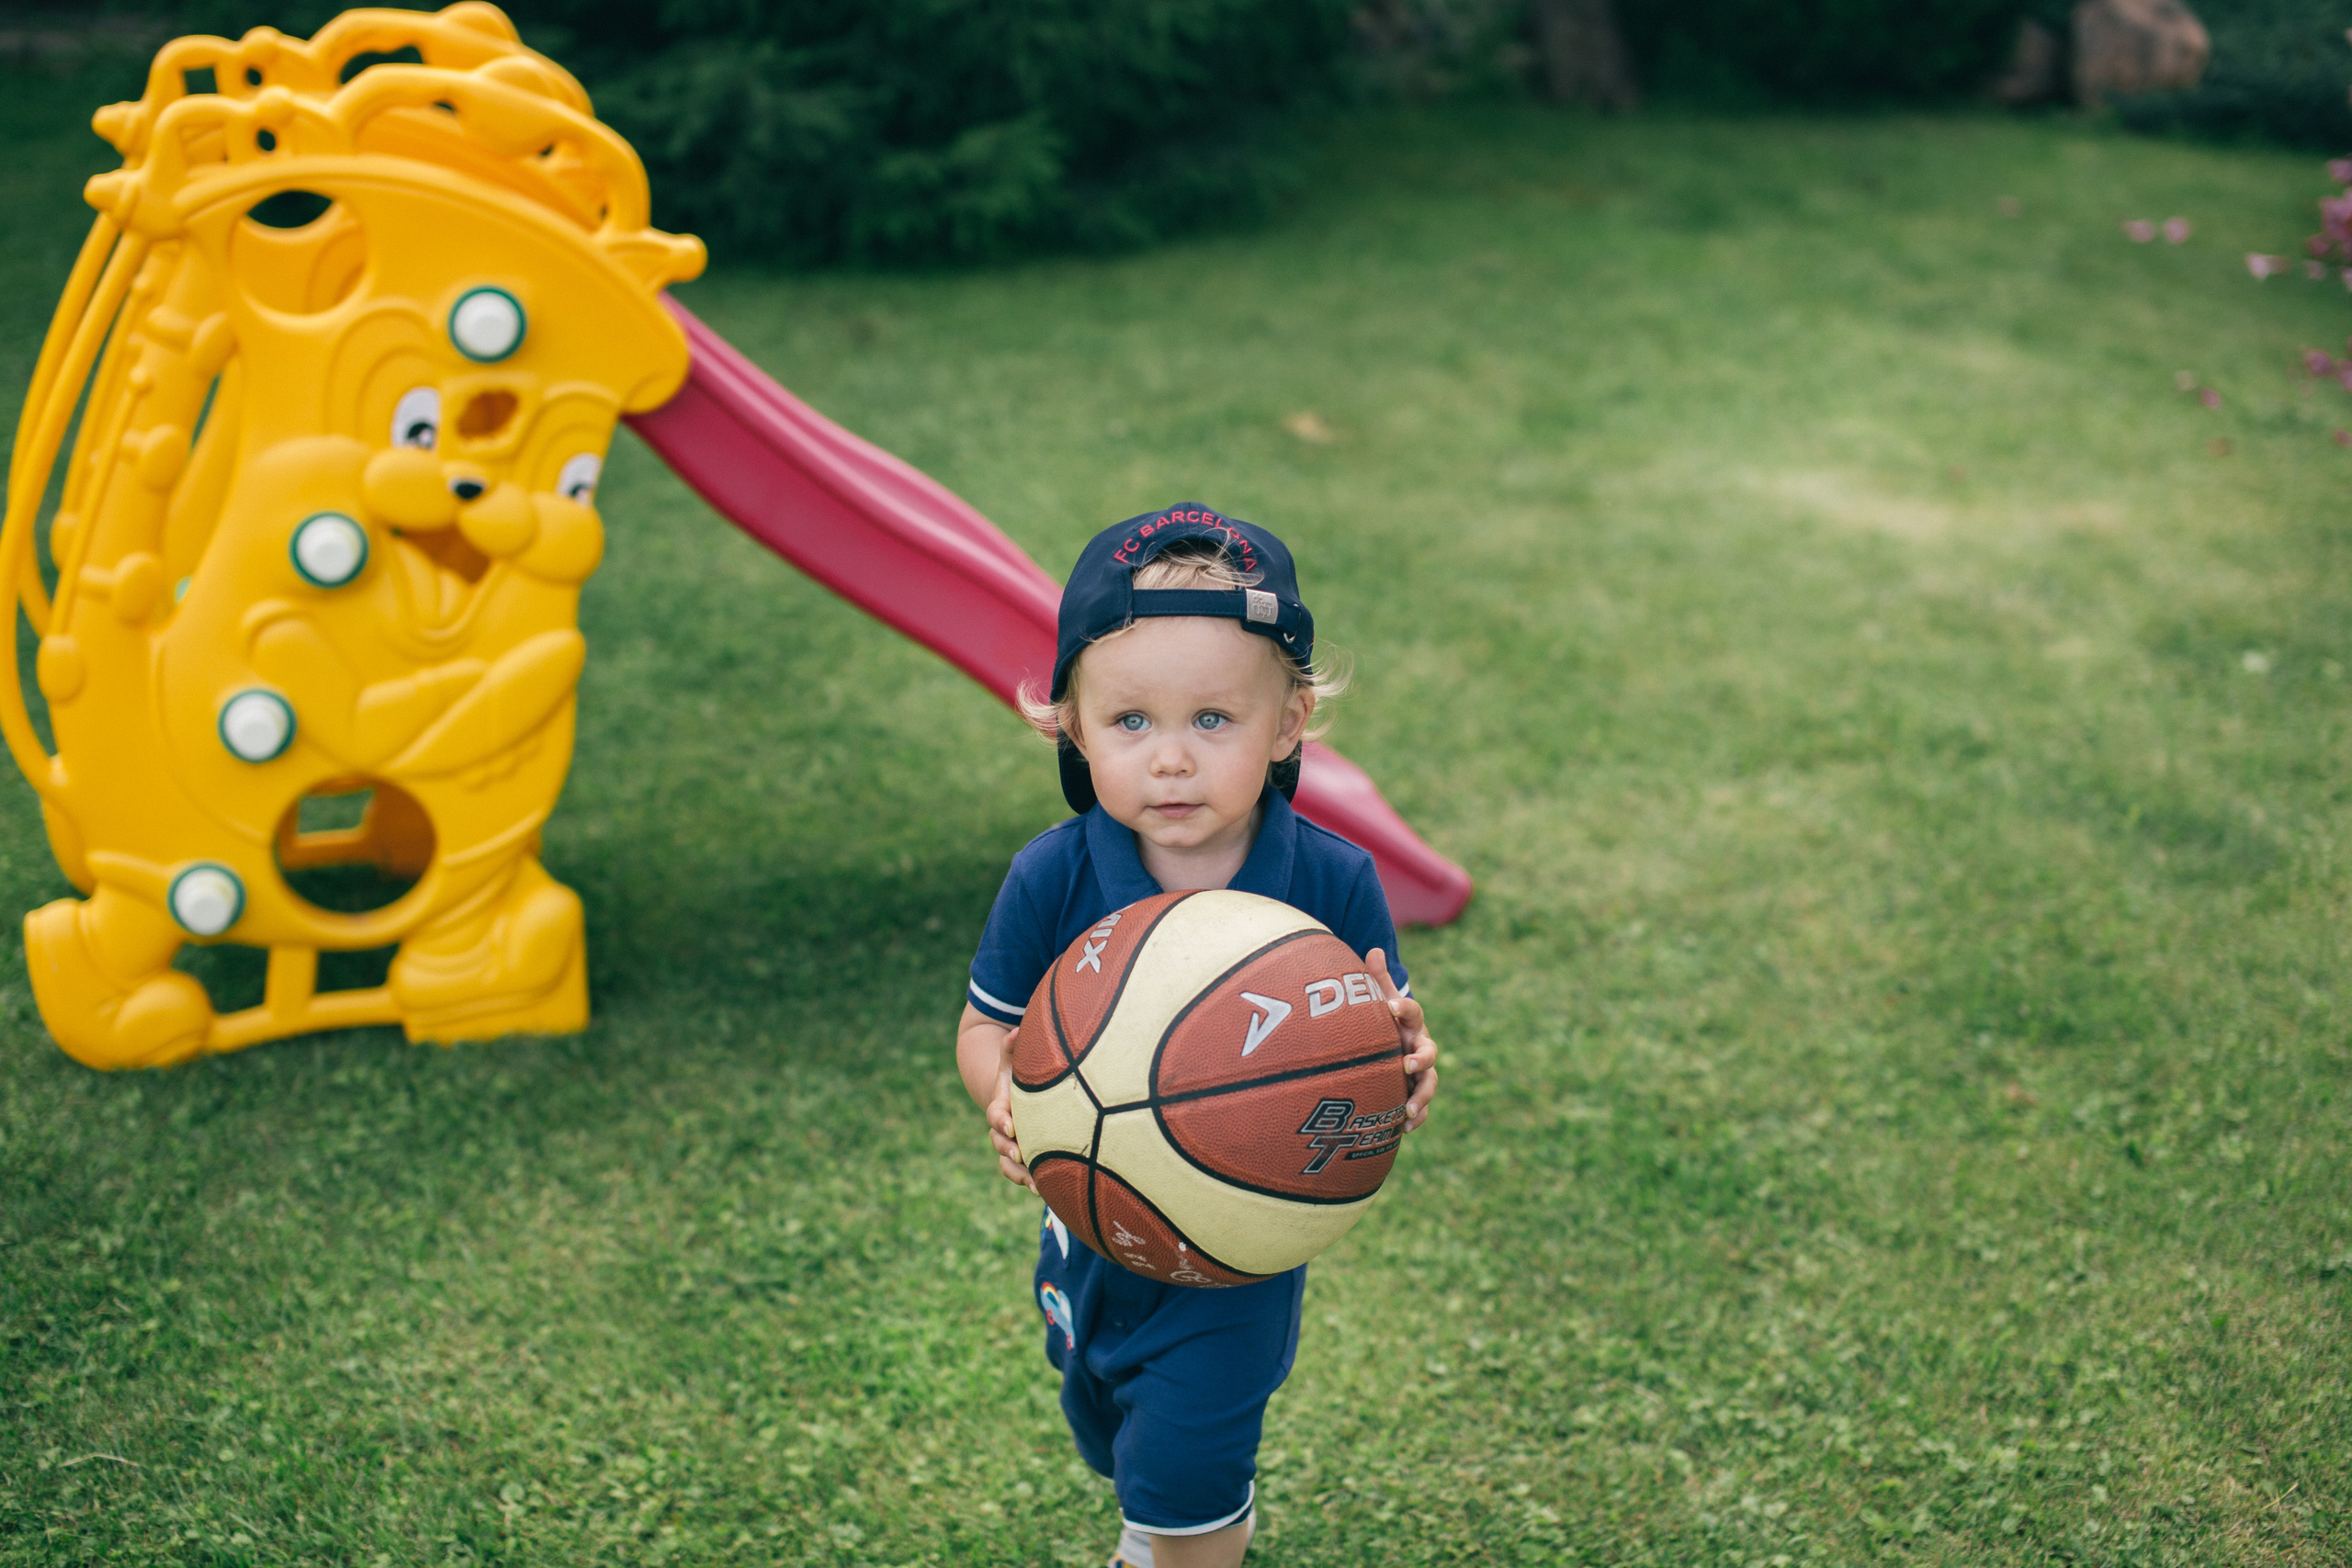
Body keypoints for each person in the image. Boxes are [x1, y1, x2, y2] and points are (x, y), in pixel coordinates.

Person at [954, 504, 1441, 1568]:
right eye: (1131, 722)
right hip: (1086, 1231)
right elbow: (986, 1029)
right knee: (1113, 1436)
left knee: (1180, 1482)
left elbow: (1378, 1050)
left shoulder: (1328, 880)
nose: (1170, 761)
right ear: (1071, 726)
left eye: (1212, 720)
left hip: (1239, 1251)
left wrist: (1405, 1063)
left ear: (1288, 723)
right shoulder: (1054, 874)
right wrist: (1005, 1096)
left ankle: (1187, 1535)